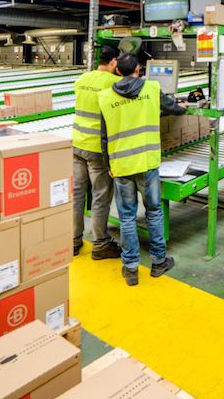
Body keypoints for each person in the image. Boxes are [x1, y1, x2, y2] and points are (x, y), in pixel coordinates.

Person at [98, 52, 187, 286]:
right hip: (147, 163)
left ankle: (130, 269)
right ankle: (159, 262)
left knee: (127, 217)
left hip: (121, 165)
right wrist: (183, 107)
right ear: (138, 69)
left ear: (117, 71)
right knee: (154, 212)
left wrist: (108, 165)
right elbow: (174, 109)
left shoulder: (105, 96)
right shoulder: (152, 89)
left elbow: (103, 137)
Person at [71, 45, 122, 260]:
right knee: (100, 196)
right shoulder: (114, 83)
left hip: (76, 143)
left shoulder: (82, 79)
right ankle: (100, 243)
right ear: (114, 62)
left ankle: (73, 241)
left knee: (77, 195)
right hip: (96, 149)